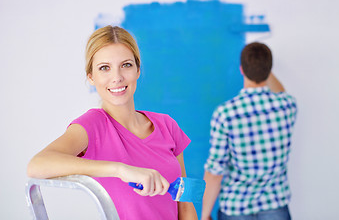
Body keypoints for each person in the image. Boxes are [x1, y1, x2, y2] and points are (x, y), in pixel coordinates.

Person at [27, 25, 198, 220]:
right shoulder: (92, 126)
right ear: (91, 77)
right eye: (104, 68)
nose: (116, 78)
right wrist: (120, 170)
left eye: (126, 65)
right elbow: (37, 165)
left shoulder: (167, 125)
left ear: (138, 70)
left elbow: (185, 205)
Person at [201, 42, 297, 220]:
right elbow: (280, 90)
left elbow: (215, 171)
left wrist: (205, 213)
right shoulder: (287, 106)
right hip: (275, 206)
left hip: (236, 208)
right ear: (269, 71)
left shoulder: (226, 114)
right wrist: (263, 68)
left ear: (241, 70)